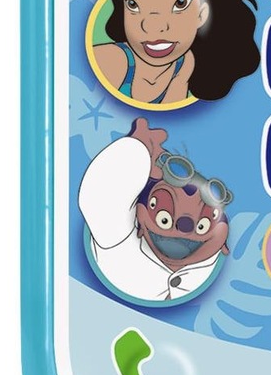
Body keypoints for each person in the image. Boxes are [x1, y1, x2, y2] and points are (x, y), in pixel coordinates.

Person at [77, 117, 231, 308]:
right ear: (138, 213)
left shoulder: (213, 266)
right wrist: (136, 150)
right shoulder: (118, 240)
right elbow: (98, 198)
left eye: (203, 225)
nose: (183, 230)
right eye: (164, 219)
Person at [89, 0, 258, 107]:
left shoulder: (187, 64)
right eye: (133, 5)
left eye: (180, 3)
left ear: (201, 14)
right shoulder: (110, 60)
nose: (153, 26)